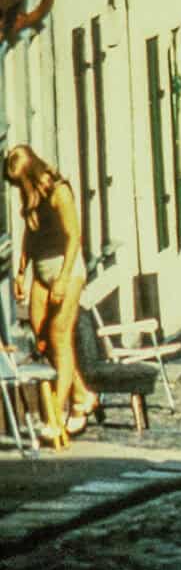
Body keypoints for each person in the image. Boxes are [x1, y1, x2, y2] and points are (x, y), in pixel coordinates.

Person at [4, 145, 97, 440]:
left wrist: (63, 278)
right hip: (41, 268)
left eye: (19, 182)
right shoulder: (31, 194)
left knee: (59, 335)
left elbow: (74, 238)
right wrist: (21, 271)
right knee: (43, 338)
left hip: (66, 268)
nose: (18, 188)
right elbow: (31, 234)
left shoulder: (59, 192)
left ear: (30, 173)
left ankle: (56, 415)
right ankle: (82, 395)